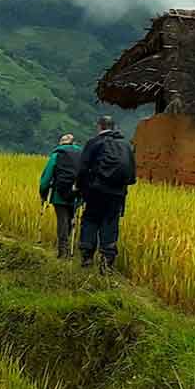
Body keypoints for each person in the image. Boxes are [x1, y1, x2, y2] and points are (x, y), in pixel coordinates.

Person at [75, 115, 136, 273]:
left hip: (96, 191)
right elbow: (132, 174)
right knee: (110, 224)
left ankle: (87, 257)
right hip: (117, 194)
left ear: (99, 126)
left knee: (90, 220)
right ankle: (107, 263)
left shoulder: (94, 143)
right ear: (113, 126)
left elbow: (82, 169)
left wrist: (80, 188)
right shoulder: (126, 145)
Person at [37, 132, 84, 259]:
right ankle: (69, 249)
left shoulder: (57, 154)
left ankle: (63, 251)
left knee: (62, 221)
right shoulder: (82, 155)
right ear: (73, 143)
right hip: (76, 194)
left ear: (61, 143)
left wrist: (43, 193)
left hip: (60, 194)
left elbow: (47, 177)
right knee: (70, 219)